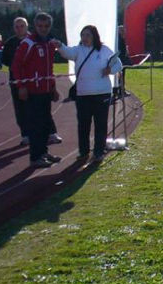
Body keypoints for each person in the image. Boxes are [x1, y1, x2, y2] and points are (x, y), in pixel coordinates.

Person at [54, 25, 122, 162]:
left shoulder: (104, 50)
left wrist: (110, 70)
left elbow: (118, 64)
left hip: (102, 93)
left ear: (94, 36)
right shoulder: (78, 50)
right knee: (83, 125)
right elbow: (67, 52)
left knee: (100, 124)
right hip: (83, 94)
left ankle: (98, 152)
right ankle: (84, 152)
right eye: (83, 35)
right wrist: (60, 45)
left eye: (88, 35)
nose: (85, 38)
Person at [12, 12, 61, 168]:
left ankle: (43, 152)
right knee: (35, 126)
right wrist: (21, 86)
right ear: (35, 26)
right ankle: (35, 157)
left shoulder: (50, 44)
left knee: (45, 124)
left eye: (46, 26)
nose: (43, 29)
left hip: (46, 91)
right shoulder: (28, 43)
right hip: (32, 92)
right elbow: (16, 65)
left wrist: (53, 88)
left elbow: (49, 69)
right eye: (40, 26)